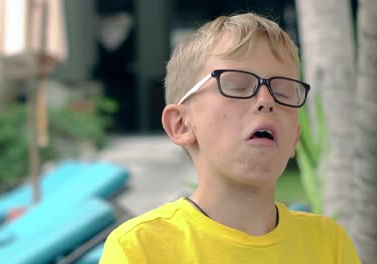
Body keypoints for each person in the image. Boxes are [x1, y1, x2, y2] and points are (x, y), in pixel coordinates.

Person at [100, 12, 361, 263]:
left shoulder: (328, 243)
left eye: (283, 90)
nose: (266, 100)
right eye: (237, 86)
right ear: (180, 124)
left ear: (295, 136)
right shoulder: (140, 247)